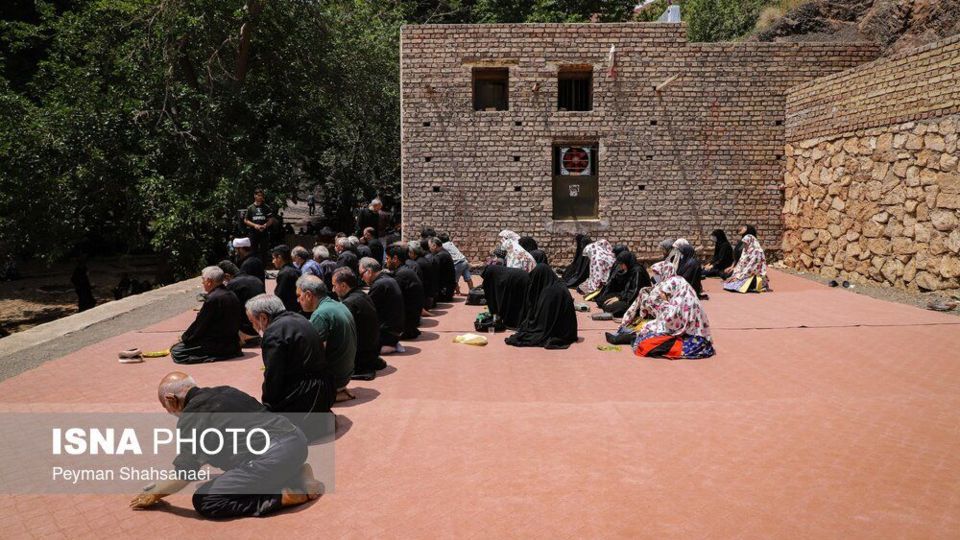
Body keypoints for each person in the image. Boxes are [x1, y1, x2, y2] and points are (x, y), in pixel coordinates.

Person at [129, 372, 322, 517]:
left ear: (171, 400)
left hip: (273, 456)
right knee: (251, 467)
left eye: (166, 407)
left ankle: (280, 498)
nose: (168, 412)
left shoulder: (191, 418)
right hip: (296, 441)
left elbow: (185, 474)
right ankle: (299, 472)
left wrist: (155, 494)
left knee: (206, 499)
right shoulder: (227, 391)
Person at [246, 294, 335, 439]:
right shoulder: (299, 318)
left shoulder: (273, 332)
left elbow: (274, 377)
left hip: (306, 394)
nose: (254, 326)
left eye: (252, 321)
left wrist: (267, 406)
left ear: (263, 317)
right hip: (326, 390)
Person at [296, 276, 356, 399]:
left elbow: (315, 356)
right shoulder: (338, 305)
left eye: (298, 296)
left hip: (333, 381)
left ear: (308, 295)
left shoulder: (320, 314)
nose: (298, 300)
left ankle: (329, 395)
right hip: (345, 375)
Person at [171, 266, 243, 364]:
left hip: (217, 343)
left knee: (176, 351)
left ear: (209, 281)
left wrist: (185, 338)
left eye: (203, 280)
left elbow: (200, 325)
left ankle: (215, 356)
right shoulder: (231, 293)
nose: (202, 283)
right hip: (233, 342)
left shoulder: (213, 298)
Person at [632, 276, 715, 359]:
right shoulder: (686, 295)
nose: (666, 295)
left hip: (693, 340)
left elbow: (671, 325)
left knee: (647, 343)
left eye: (667, 293)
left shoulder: (681, 301)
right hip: (692, 336)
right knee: (647, 338)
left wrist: (664, 302)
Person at [505, 264, 579, 349]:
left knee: (528, 332)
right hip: (569, 331)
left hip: (559, 332)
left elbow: (544, 322)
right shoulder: (559, 285)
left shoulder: (549, 293)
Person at [331, 267, 385, 380]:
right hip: (372, 352)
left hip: (361, 358)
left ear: (343, 286)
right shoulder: (362, 295)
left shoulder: (349, 303)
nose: (332, 290)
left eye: (334, 286)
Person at [360, 257, 406, 355]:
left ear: (369, 271)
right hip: (395, 331)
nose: (361, 278)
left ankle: (386, 347)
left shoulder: (379, 284)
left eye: (361, 274)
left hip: (388, 334)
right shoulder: (387, 278)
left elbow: (367, 310)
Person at [218, 260, 266, 346]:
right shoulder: (256, 280)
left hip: (244, 329)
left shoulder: (233, 284)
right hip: (259, 325)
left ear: (227, 276)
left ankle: (242, 337)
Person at [385, 243, 424, 340]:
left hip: (406, 324)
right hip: (412, 319)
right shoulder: (404, 270)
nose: (386, 262)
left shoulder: (402, 274)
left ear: (395, 258)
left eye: (387, 259)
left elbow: (392, 298)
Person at [595, 250, 650, 318]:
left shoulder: (638, 271)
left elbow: (635, 292)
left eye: (622, 264)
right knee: (601, 300)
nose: (621, 266)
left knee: (609, 307)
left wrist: (620, 298)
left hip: (635, 300)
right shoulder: (630, 269)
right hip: (625, 295)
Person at [480, 263, 531, 329]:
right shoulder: (497, 271)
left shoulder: (492, 274)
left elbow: (493, 296)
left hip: (518, 280)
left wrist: (495, 312)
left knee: (514, 300)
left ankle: (514, 320)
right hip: (521, 277)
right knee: (518, 300)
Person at [243, 189, 276, 261]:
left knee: (264, 251)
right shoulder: (250, 208)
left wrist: (265, 225)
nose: (260, 197)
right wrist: (255, 225)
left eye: (261, 196)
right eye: (259, 195)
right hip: (253, 233)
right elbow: (246, 220)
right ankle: (254, 268)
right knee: (253, 251)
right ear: (255, 196)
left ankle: (263, 269)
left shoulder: (266, 207)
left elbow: (271, 219)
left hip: (264, 233)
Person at [271, 245, 301, 313]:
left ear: (279, 257)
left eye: (274, 258)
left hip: (287, 311)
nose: (273, 261)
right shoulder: (296, 270)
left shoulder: (284, 273)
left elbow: (280, 295)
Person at [408, 241, 438, 311]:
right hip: (431, 298)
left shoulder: (418, 263)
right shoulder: (423, 259)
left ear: (412, 253)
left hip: (426, 302)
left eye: (408, 252)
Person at [427, 237, 456, 303]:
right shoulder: (444, 252)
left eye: (430, 247)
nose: (429, 249)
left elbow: (433, 271)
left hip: (445, 293)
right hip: (448, 290)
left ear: (434, 245)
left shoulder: (440, 256)